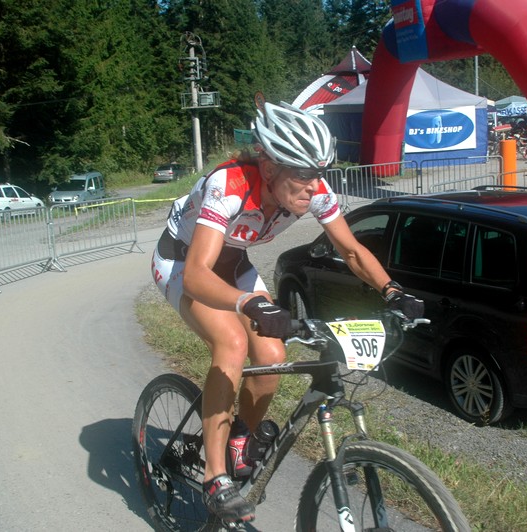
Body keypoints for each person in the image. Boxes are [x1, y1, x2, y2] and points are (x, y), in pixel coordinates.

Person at [151, 100, 424, 523]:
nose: (314, 186)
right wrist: (249, 302)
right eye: (303, 174)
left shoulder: (313, 190)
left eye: (319, 173)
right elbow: (197, 275)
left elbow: (351, 250)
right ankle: (215, 476)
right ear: (269, 167)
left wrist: (393, 291)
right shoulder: (229, 184)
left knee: (274, 355)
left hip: (233, 262)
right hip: (182, 262)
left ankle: (238, 439)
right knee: (232, 342)